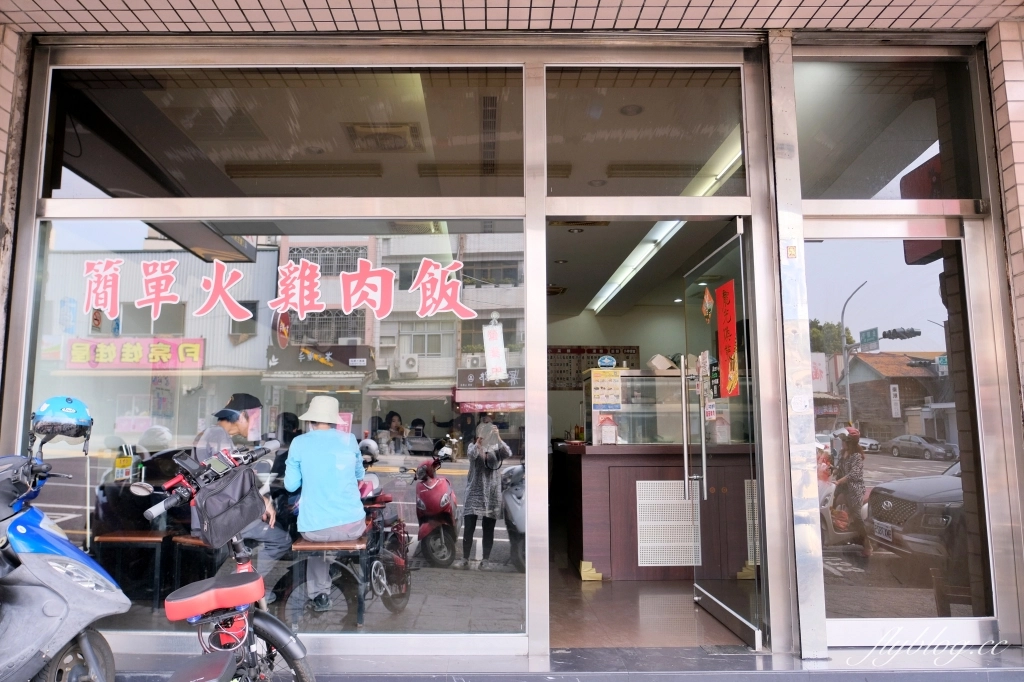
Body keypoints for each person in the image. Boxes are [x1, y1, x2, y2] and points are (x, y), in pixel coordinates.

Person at [194, 393, 291, 603]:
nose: (256, 425)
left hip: (218, 513)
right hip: (219, 517)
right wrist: (263, 501)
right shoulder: (217, 436)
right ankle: (246, 591)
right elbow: (228, 479)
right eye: (255, 418)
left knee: (267, 532)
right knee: (280, 539)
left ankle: (245, 588)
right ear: (241, 416)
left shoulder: (215, 435)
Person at [285, 395, 367, 612]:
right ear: (334, 420)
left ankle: (320, 594)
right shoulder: (349, 439)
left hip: (315, 529)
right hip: (353, 526)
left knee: (318, 542)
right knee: (333, 534)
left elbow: (291, 486)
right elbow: (360, 474)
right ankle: (333, 566)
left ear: (310, 420)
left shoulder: (299, 442)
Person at [454, 416, 511, 571]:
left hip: (491, 493)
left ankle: (485, 560)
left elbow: (507, 453)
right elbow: (472, 455)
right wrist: (479, 441)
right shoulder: (472, 446)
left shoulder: (496, 449)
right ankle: (465, 558)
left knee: (488, 527)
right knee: (469, 526)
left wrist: (498, 437)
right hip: (474, 492)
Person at [834, 426, 871, 558]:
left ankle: (867, 544)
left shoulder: (856, 456)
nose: (842, 442)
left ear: (850, 442)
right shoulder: (842, 453)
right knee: (831, 505)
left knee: (856, 515)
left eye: (844, 440)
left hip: (854, 489)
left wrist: (839, 481)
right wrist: (830, 471)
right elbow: (839, 469)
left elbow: (853, 474)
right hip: (842, 488)